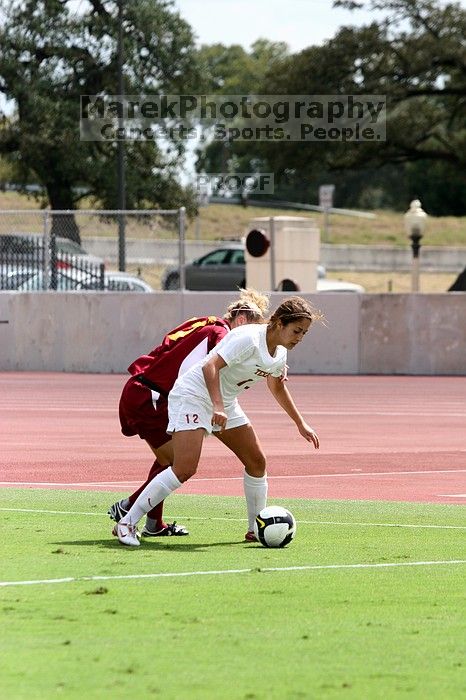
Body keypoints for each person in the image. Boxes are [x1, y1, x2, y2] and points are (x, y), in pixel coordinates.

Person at [113, 296, 323, 547]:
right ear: (278, 323)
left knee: (256, 462)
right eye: (296, 331)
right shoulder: (248, 338)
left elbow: (277, 387)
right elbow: (210, 366)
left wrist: (300, 423)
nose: (299, 337)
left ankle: (255, 529)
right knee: (184, 468)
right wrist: (217, 406)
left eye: (304, 333)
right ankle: (126, 522)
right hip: (193, 395)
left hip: (224, 401)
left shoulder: (279, 353)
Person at [108, 288, 270, 537]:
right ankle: (129, 507)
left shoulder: (206, 321)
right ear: (241, 320)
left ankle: (152, 523)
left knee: (170, 460)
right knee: (179, 462)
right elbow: (213, 366)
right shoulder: (223, 334)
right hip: (153, 396)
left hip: (144, 389)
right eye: (253, 329)